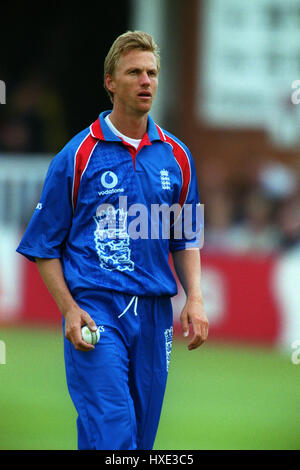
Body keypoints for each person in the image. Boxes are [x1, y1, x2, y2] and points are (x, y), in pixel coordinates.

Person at [16, 30, 208, 450]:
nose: (146, 81)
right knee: (114, 432)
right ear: (110, 81)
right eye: (135, 72)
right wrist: (69, 309)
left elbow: (186, 235)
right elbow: (44, 246)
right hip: (96, 309)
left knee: (137, 441)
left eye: (152, 73)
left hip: (156, 315)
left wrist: (194, 296)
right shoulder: (77, 156)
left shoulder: (177, 156)